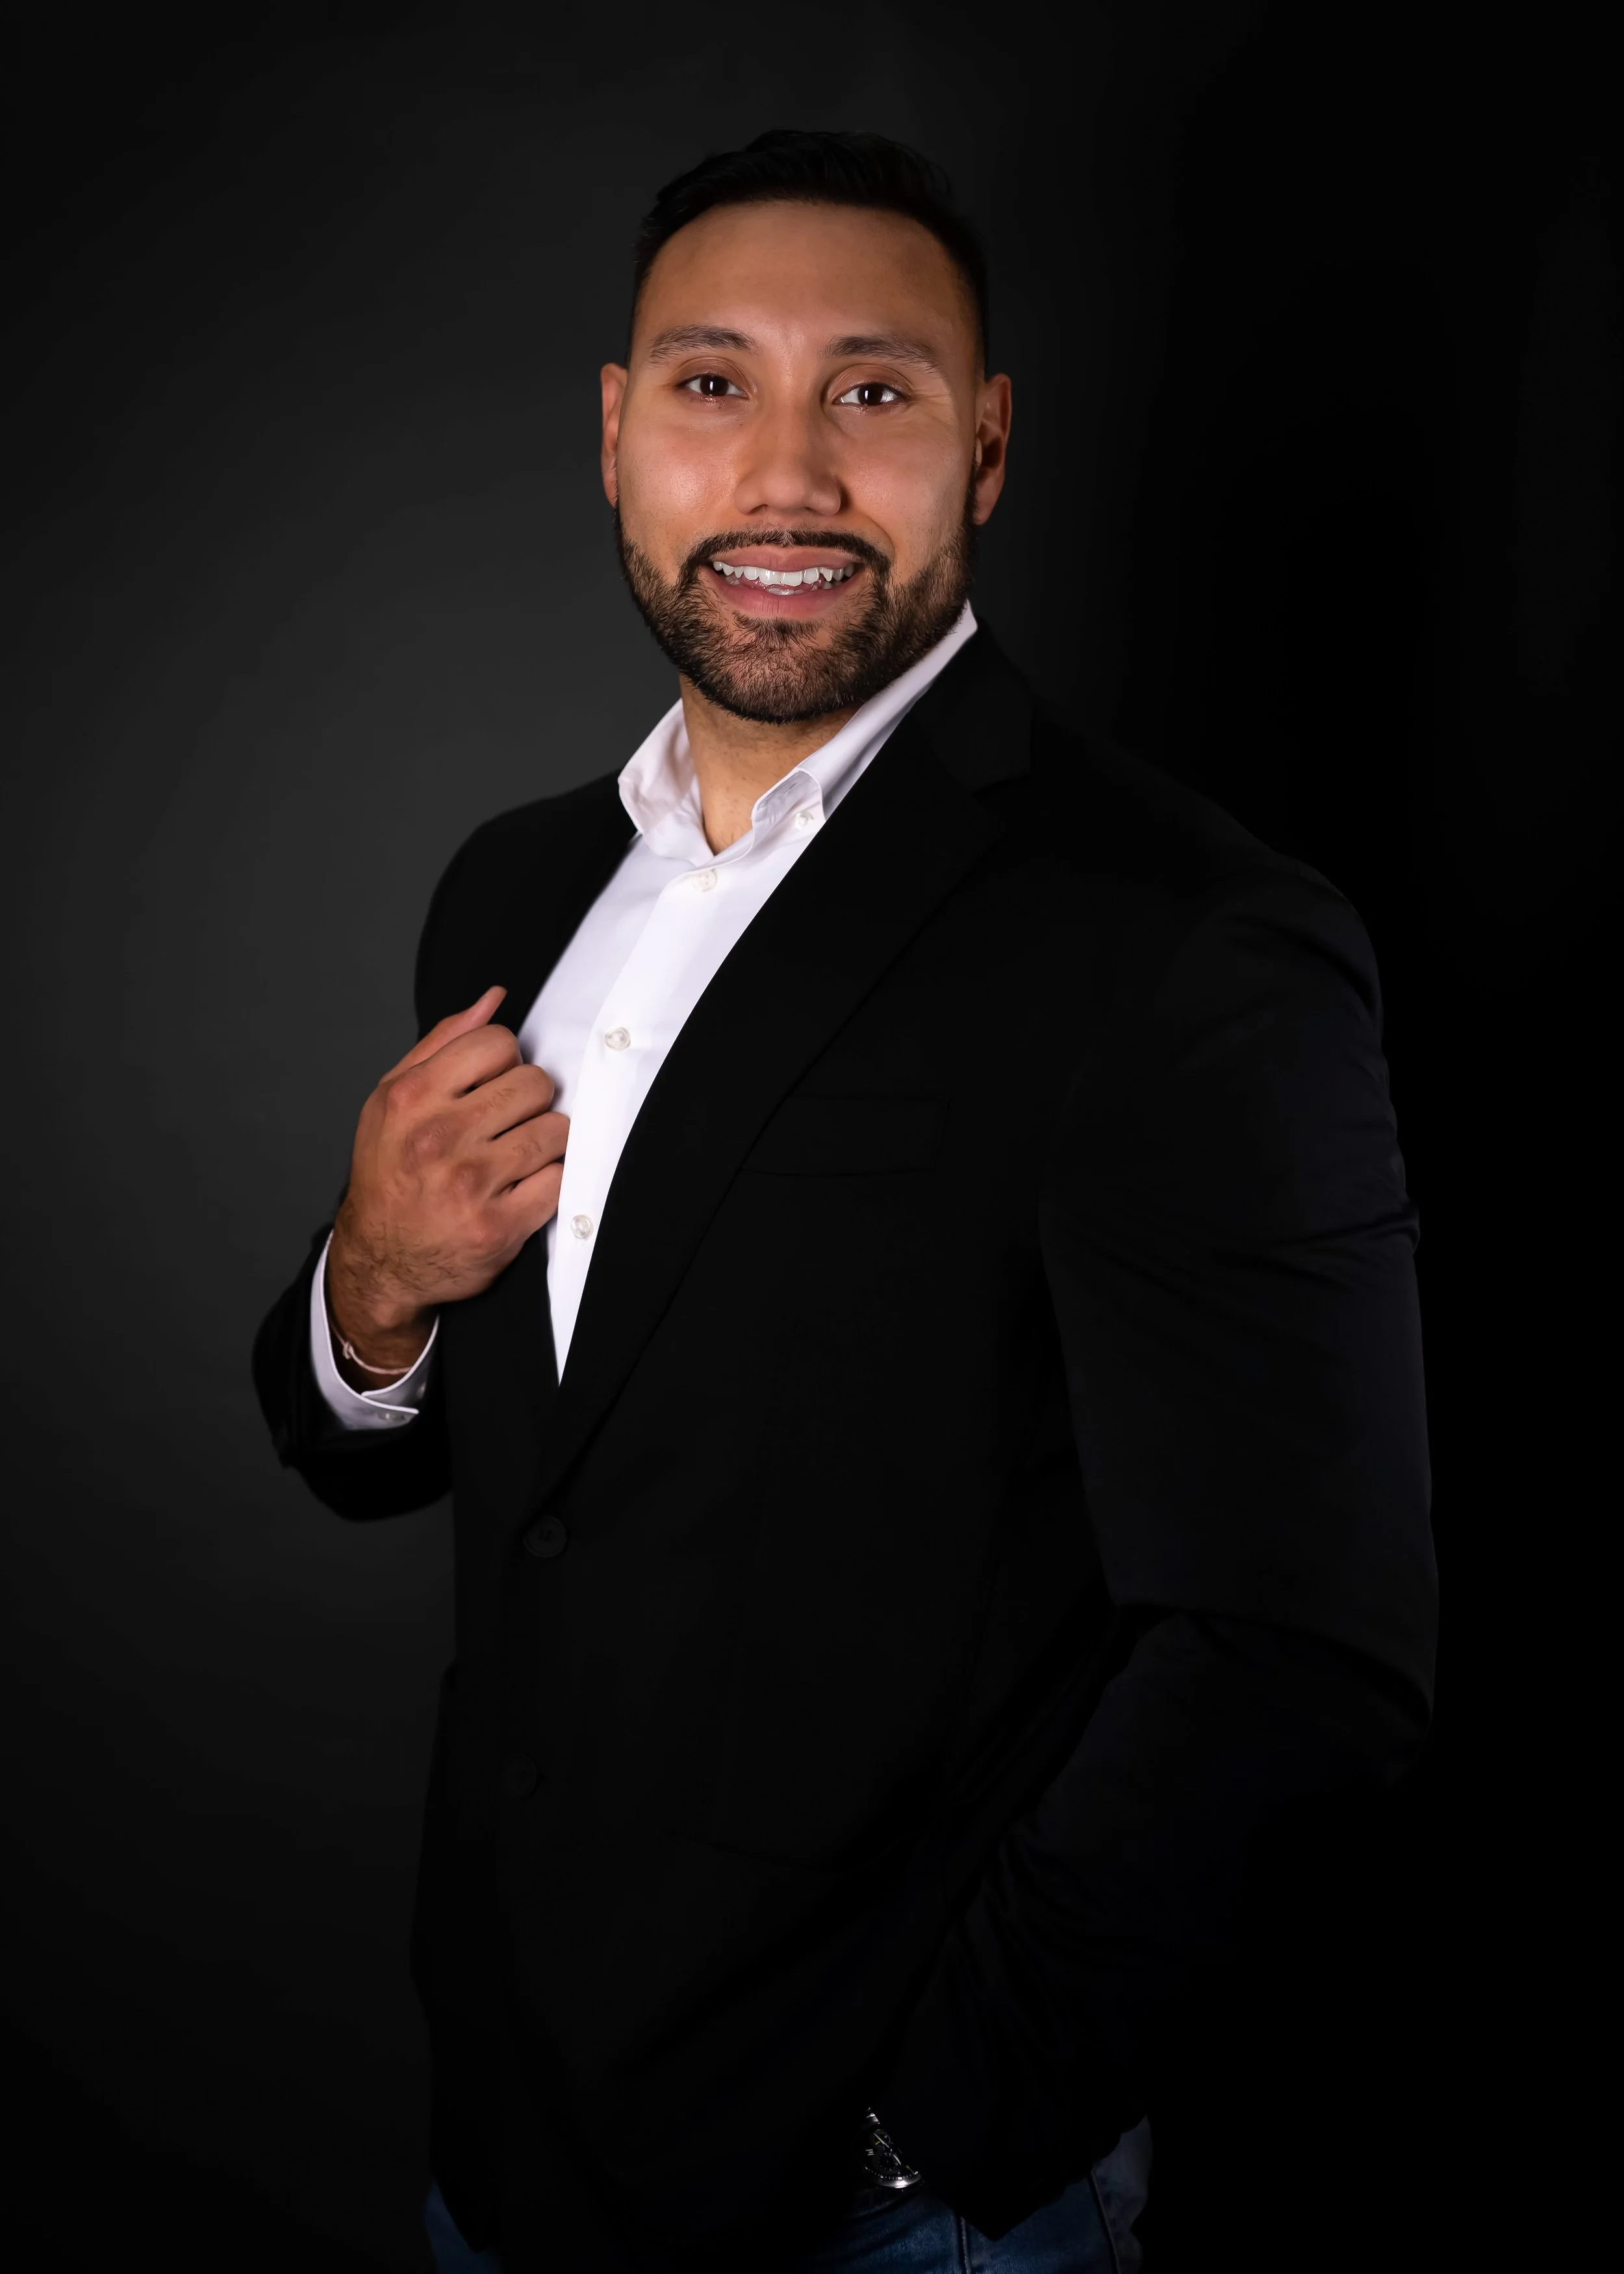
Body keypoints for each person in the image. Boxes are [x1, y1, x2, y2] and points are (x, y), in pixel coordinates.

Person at [253, 129, 1436, 2274]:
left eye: (870, 391)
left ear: (982, 449)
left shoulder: (1182, 935)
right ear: (616, 438)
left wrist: (936, 2129)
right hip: (503, 2136)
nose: (785, 472)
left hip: (886, 2205)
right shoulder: (511, 890)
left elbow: (1300, 1641)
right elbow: (481, 1476)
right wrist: (370, 1287)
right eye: (712, 385)